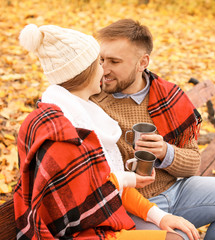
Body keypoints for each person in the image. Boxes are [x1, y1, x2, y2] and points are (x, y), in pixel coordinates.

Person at [14, 23, 200, 240]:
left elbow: (100, 183)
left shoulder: (86, 114)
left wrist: (158, 215)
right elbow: (77, 209)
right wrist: (127, 181)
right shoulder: (65, 131)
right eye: (99, 63)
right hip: (84, 231)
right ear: (86, 72)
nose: (104, 70)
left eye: (111, 62)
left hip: (110, 214)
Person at [91, 19, 215, 240]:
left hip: (177, 190)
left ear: (143, 62)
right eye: (101, 59)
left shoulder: (168, 96)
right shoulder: (92, 99)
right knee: (180, 237)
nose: (104, 69)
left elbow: (192, 163)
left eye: (114, 61)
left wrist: (165, 151)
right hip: (129, 205)